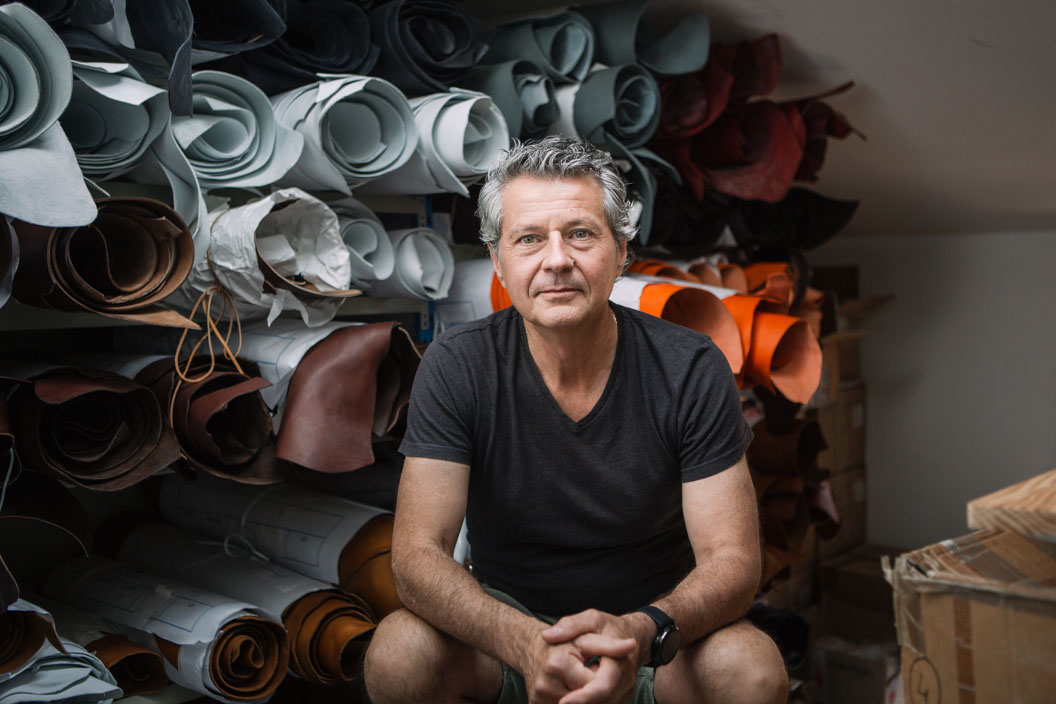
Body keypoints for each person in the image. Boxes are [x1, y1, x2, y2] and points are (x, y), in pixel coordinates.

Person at [364, 137, 787, 704]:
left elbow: (733, 561)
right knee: (399, 653)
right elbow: (417, 556)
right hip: (508, 631)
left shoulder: (689, 366)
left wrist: (640, 633)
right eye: (530, 239)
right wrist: (526, 643)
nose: (557, 259)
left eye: (581, 234)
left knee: (752, 668)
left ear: (620, 253)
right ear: (498, 260)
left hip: (652, 638)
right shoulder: (459, 363)